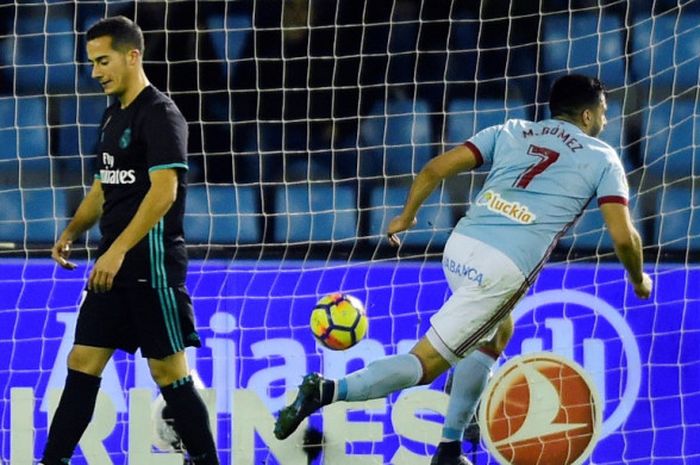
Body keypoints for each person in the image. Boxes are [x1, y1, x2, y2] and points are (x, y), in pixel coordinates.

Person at [273, 74, 653, 464]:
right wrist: (638, 278)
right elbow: (624, 238)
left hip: (459, 248)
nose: (606, 122)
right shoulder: (602, 157)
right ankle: (327, 391)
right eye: (604, 113)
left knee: (498, 330)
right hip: (501, 272)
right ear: (588, 116)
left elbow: (435, 169)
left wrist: (406, 217)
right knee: (424, 365)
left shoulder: (511, 130)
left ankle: (450, 448)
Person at [41, 16, 218, 465]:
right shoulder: (112, 114)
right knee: (82, 362)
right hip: (111, 267)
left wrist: (118, 250)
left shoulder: (161, 114)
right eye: (91, 63)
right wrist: (72, 231)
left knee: (169, 373)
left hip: (151, 267)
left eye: (103, 61)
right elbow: (104, 189)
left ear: (132, 55)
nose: (96, 72)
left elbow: (165, 193)